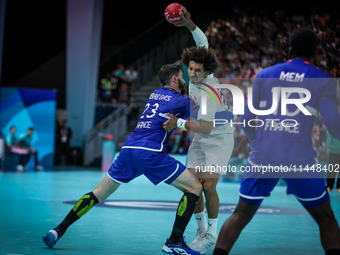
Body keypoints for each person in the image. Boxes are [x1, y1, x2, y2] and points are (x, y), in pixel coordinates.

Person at [42, 64, 203, 255]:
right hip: (149, 152)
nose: (184, 80)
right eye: (181, 77)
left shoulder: (155, 94)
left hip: (127, 150)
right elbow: (206, 115)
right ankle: (174, 242)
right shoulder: (179, 101)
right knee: (194, 187)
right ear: (175, 79)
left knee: (97, 194)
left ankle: (58, 230)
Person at [213, 27, 340, 255]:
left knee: (240, 214)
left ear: (289, 48)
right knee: (326, 218)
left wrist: (257, 143)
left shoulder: (265, 74)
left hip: (263, 156)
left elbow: (247, 118)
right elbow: (333, 123)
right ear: (316, 52)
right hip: (299, 159)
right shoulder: (323, 79)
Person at [163, 7, 235, 254]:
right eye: (190, 69)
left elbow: (205, 126)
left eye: (197, 71)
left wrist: (178, 123)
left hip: (219, 138)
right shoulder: (191, 76)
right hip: (202, 138)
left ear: (207, 73)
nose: (192, 74)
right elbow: (202, 42)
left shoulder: (208, 91)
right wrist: (188, 24)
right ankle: (200, 230)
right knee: (191, 185)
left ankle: (212, 235)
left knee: (208, 187)